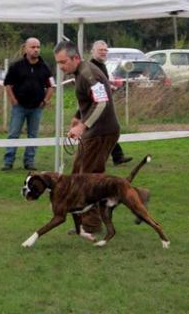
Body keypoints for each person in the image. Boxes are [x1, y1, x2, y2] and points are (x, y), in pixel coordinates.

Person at [54, 40, 120, 235]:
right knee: (77, 175)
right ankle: (83, 222)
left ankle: (92, 225)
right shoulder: (80, 72)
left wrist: (83, 125)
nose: (60, 67)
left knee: (88, 179)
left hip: (102, 133)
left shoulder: (88, 74)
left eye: (63, 62)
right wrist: (78, 117)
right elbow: (90, 100)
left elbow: (101, 103)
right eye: (58, 63)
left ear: (76, 58)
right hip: (94, 132)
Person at [1, 37, 54, 171]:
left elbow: (51, 86)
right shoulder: (16, 66)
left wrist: (46, 100)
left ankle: (29, 162)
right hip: (19, 107)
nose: (36, 50)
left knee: (33, 135)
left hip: (36, 107)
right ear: (26, 48)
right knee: (13, 134)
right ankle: (8, 162)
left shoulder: (45, 66)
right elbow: (7, 84)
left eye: (38, 47)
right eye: (33, 47)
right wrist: (13, 100)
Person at [90, 40, 133, 166]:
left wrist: (110, 87)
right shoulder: (92, 66)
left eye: (105, 50)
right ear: (93, 51)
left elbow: (102, 82)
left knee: (108, 131)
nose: (104, 52)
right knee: (104, 131)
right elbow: (93, 85)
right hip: (96, 105)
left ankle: (116, 156)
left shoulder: (102, 65)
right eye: (100, 50)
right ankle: (113, 156)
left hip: (104, 103)